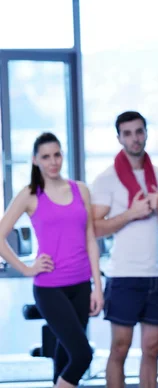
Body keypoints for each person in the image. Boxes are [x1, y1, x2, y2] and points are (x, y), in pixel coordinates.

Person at [0, 132, 103, 388]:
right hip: (50, 288)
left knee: (65, 356)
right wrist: (26, 268)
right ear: (36, 160)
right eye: (46, 157)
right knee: (82, 355)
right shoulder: (30, 194)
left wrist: (97, 287)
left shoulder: (81, 190)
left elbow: (90, 238)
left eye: (57, 155)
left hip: (81, 285)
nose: (53, 161)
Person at [91, 111, 158, 388]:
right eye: (128, 133)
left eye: (139, 131)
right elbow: (95, 228)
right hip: (124, 275)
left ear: (146, 133)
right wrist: (131, 212)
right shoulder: (106, 179)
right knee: (120, 348)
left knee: (153, 349)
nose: (135, 138)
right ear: (119, 138)